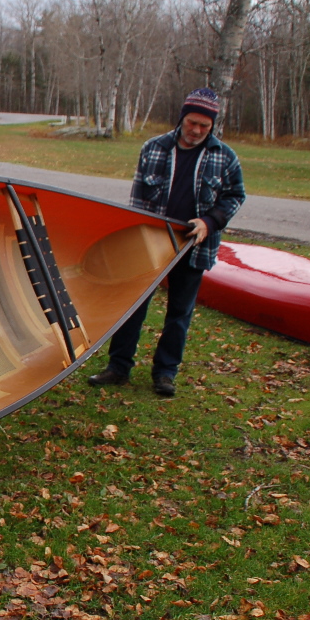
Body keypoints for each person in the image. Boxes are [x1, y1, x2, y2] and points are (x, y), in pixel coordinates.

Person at [87, 86, 245, 397]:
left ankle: (165, 373)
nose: (196, 130)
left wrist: (209, 221)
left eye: (204, 125)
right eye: (192, 123)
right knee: (132, 306)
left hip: (193, 245)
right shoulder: (154, 148)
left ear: (212, 126)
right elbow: (137, 202)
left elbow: (235, 196)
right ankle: (118, 368)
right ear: (182, 118)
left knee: (179, 313)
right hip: (150, 244)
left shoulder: (224, 157)